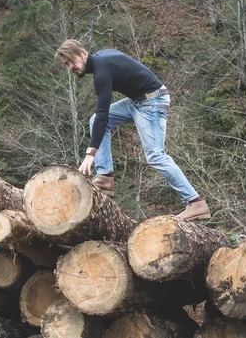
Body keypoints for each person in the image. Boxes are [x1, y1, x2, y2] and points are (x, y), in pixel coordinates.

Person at [54, 39, 210, 221]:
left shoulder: (102, 73)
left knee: (155, 156)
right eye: (66, 64)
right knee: (95, 120)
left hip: (153, 101)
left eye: (71, 61)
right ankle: (105, 177)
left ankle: (196, 202)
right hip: (138, 101)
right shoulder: (102, 59)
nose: (70, 67)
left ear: (82, 53)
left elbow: (103, 113)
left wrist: (90, 154)